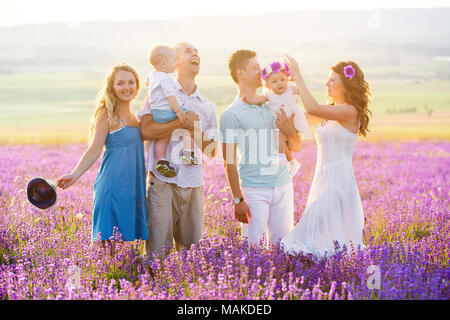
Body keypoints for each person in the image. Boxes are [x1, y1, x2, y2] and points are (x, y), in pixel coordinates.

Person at [281, 55, 372, 258]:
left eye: (332, 79)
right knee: (321, 241)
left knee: (308, 237)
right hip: (322, 180)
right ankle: (328, 282)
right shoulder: (330, 111)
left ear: (346, 84)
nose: (326, 83)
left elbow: (312, 108)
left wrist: (299, 75)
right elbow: (299, 120)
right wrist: (285, 92)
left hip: (338, 183)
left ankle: (325, 283)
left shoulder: (350, 111)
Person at [56, 63, 148, 255]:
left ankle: (113, 282)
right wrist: (75, 174)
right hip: (112, 187)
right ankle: (93, 282)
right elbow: (94, 149)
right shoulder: (106, 113)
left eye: (131, 82)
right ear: (112, 87)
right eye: (120, 83)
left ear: (137, 86)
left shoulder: (137, 116)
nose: (126, 87)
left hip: (132, 188)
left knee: (121, 246)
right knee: (104, 245)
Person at [139, 42, 218, 258]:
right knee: (157, 255)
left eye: (197, 51)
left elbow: (211, 150)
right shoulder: (158, 91)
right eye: (188, 51)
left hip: (193, 183)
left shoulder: (207, 106)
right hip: (162, 183)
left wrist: (194, 131)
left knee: (192, 256)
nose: (195, 54)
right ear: (176, 62)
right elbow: (145, 130)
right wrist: (180, 124)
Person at [220, 50, 301, 248]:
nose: (262, 71)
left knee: (283, 250)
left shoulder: (272, 104)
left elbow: (295, 145)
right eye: (255, 67)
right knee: (253, 250)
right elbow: (228, 161)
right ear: (240, 74)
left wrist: (290, 131)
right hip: (253, 190)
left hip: (283, 186)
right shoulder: (231, 114)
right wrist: (238, 199)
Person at [242, 60, 312, 177]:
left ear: (287, 80)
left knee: (289, 142)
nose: (279, 83)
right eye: (274, 81)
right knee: (279, 138)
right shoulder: (269, 95)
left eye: (282, 80)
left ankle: (287, 160)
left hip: (293, 120)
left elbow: (302, 90)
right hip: (279, 123)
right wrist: (248, 100)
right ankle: (290, 161)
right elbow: (257, 100)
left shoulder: (290, 90)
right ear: (268, 85)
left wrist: (296, 80)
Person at [145, 45, 197, 179]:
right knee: (191, 125)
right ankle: (188, 153)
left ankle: (161, 160)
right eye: (174, 61)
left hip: (156, 113)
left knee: (162, 137)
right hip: (168, 111)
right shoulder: (166, 79)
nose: (177, 63)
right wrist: (180, 113)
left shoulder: (152, 75)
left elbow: (146, 82)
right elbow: (171, 98)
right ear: (163, 64)